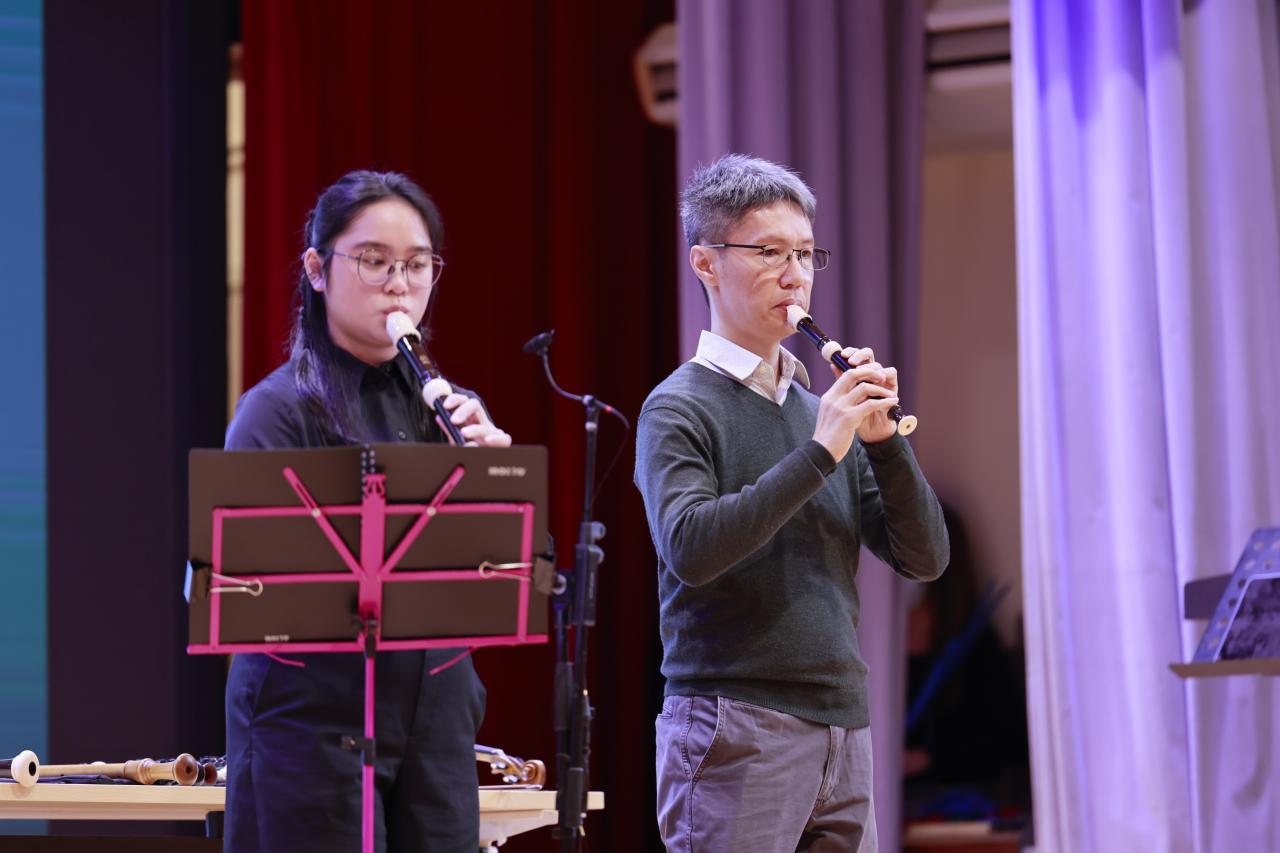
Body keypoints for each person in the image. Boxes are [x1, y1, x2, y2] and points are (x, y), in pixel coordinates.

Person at [635, 154, 950, 852]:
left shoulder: (817, 410)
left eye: (805, 254)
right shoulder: (677, 406)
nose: (795, 274)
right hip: (733, 720)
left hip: (843, 724)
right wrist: (821, 449)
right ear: (706, 263)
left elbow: (925, 558)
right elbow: (691, 548)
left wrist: (884, 442)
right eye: (769, 252)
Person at [222, 170, 511, 853]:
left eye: (417, 265)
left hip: (436, 718)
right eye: (375, 261)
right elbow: (251, 587)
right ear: (317, 269)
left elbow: (501, 575)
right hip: (312, 725)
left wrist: (496, 478)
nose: (399, 284)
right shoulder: (276, 411)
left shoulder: (449, 410)